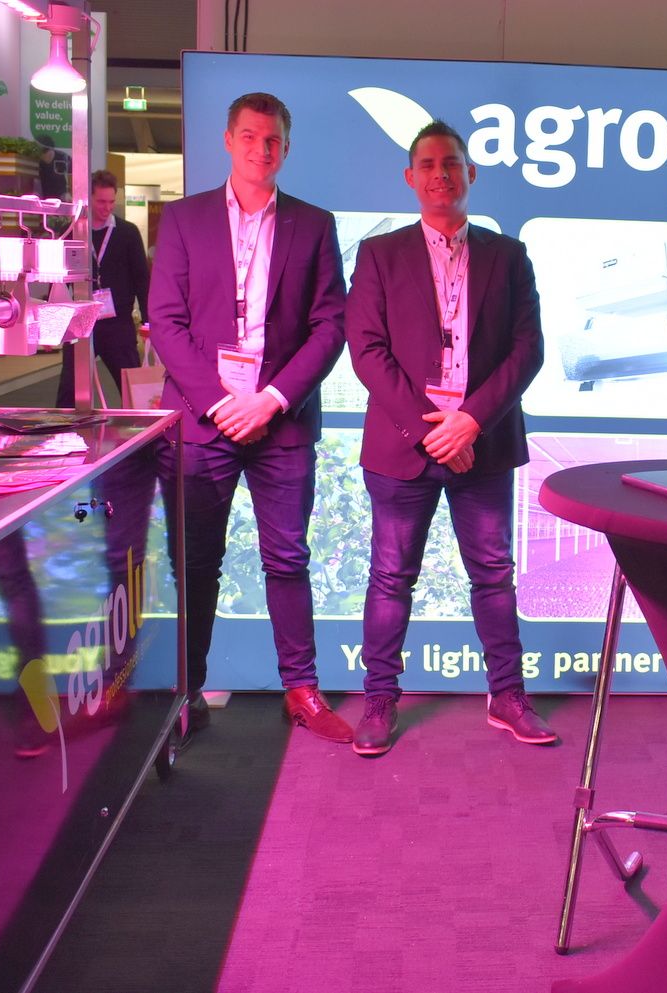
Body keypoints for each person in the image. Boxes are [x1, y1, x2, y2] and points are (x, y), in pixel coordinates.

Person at [344, 120, 555, 756]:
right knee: (390, 576)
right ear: (411, 177)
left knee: (493, 574)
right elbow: (366, 350)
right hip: (401, 445)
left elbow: (528, 350)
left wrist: (471, 421)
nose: (441, 174)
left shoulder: (508, 255)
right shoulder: (379, 254)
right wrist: (429, 430)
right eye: (429, 164)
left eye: (452, 163)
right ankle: (379, 699)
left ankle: (507, 696)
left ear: (471, 173)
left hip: (482, 443)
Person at [148, 92, 350, 740]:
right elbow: (166, 322)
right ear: (228, 141)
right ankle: (188, 693)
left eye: (273, 140)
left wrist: (271, 399)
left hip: (281, 421)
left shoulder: (314, 225)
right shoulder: (183, 219)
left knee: (288, 558)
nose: (261, 150)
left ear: (285, 148)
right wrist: (219, 401)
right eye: (250, 137)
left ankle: (302, 691)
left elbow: (330, 325)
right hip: (202, 420)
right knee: (195, 561)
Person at [55, 170, 149, 407]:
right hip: (80, 322)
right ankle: (62, 427)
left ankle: (142, 430)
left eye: (111, 202)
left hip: (118, 323)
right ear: (89, 199)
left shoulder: (127, 233)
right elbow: (58, 280)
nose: (107, 208)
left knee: (132, 388)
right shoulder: (72, 233)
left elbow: (142, 279)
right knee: (69, 388)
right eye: (101, 202)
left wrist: (149, 321)